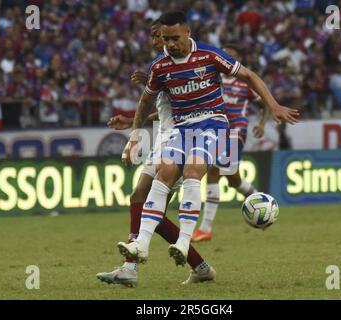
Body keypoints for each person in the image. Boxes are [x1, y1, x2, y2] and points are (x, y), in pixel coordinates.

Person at [119, 11, 298, 268]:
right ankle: (141, 245)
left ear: (188, 33)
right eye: (165, 38)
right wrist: (134, 136)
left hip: (212, 124)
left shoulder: (209, 55)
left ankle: (184, 241)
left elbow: (248, 76)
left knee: (197, 170)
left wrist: (274, 105)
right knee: (164, 172)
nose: (170, 44)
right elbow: (146, 100)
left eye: (175, 38)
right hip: (180, 130)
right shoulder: (160, 66)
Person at [96, 19, 215, 287]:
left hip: (182, 141)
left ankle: (133, 267)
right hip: (166, 138)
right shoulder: (160, 66)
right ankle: (198, 266)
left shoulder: (178, 64)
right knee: (142, 199)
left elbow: (187, 106)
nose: (154, 41)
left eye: (158, 36)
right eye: (153, 36)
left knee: (147, 202)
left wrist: (135, 133)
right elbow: (163, 109)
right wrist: (132, 122)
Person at [192, 44, 270, 242]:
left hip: (235, 132)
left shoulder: (244, 83)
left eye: (230, 56)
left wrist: (261, 124)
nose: (225, 58)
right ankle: (262, 203)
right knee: (232, 179)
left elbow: (265, 104)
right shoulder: (211, 79)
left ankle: (205, 228)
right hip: (215, 131)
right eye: (224, 54)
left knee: (214, 172)